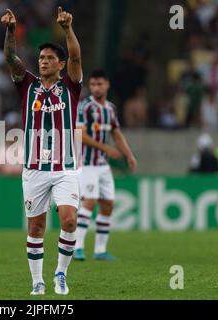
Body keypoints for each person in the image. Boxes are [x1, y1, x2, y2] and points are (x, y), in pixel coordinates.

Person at [2, 7, 82, 295]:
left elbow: (75, 56)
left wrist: (68, 28)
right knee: (36, 229)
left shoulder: (70, 88)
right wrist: (11, 31)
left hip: (64, 168)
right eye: (41, 58)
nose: (44, 61)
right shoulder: (28, 86)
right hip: (34, 169)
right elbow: (10, 58)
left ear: (60, 64)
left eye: (50, 58)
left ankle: (61, 273)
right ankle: (37, 280)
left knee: (70, 220)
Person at [74, 70, 137, 262]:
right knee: (90, 201)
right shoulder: (85, 107)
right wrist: (106, 148)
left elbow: (116, 133)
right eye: (93, 84)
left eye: (99, 84)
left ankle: (100, 250)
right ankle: (77, 247)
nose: (96, 88)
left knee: (108, 204)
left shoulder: (110, 109)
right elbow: (80, 135)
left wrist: (129, 155)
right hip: (86, 163)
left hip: (102, 165)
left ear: (107, 85)